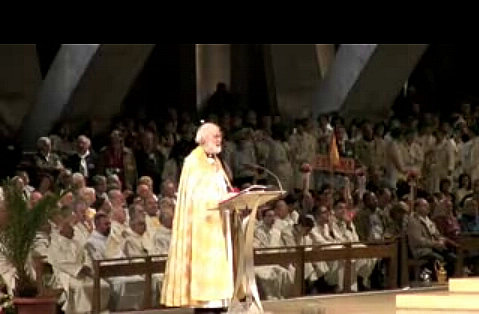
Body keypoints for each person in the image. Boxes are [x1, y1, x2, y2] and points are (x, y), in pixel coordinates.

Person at [161, 123, 234, 313]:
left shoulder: (216, 160)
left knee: (219, 291)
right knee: (206, 295)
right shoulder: (193, 162)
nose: (219, 140)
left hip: (219, 225)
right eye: (215, 136)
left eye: (220, 136)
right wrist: (221, 199)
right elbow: (196, 197)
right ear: (203, 139)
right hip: (203, 228)